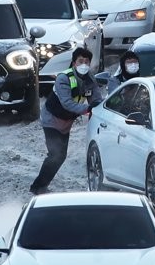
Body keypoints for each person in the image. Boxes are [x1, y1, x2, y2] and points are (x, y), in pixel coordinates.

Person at [30, 46, 104, 194]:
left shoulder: (90, 79)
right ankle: (38, 187)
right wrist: (88, 109)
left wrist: (99, 107)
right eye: (80, 61)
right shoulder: (64, 78)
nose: (84, 64)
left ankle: (41, 185)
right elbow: (67, 103)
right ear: (74, 62)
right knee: (55, 154)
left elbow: (96, 99)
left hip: (65, 122)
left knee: (60, 156)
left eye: (87, 62)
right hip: (51, 119)